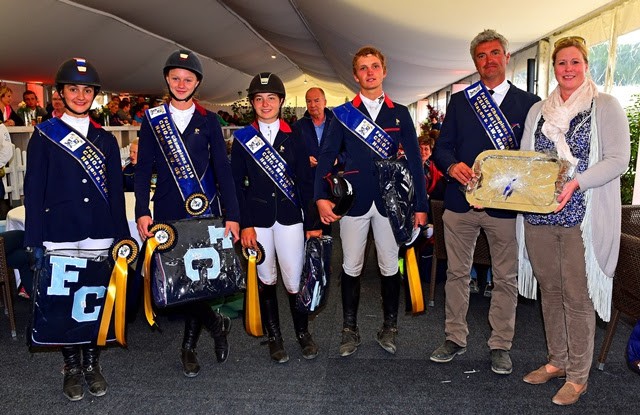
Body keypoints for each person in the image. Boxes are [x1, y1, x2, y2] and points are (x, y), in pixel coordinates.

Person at [517, 36, 630, 405]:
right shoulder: (539, 111)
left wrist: (577, 182)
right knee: (550, 292)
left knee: (578, 298)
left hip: (581, 217)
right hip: (539, 216)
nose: (568, 69)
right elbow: (524, 161)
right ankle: (558, 361)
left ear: (586, 66)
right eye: (562, 63)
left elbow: (617, 160)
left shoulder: (605, 106)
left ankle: (578, 376)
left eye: (575, 62)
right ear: (554, 69)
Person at [430, 29, 540, 375]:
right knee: (457, 274)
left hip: (504, 208)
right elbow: (441, 148)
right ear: (474, 62)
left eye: (495, 53)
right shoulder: (461, 101)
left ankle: (500, 345)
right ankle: (455, 337)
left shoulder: (530, 104)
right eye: (481, 55)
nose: (489, 60)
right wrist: (451, 165)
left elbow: (535, 159)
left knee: (505, 278)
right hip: (460, 203)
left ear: (507, 57)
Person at [23, 57, 129, 401]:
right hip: (60, 231)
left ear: (94, 95)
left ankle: (92, 364)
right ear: (61, 92)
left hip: (100, 230)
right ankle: (71, 366)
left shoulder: (106, 139)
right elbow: (34, 188)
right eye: (73, 89)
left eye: (87, 90)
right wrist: (34, 239)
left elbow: (116, 191)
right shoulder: (44, 135)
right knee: (66, 301)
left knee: (93, 300)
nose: (81, 96)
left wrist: (123, 235)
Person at [314, 46, 428, 357]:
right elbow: (326, 157)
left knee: (390, 266)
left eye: (374, 66)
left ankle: (389, 326)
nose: (369, 72)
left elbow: (416, 162)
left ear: (384, 71)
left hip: (391, 204)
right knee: (351, 266)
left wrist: (421, 207)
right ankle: (349, 328)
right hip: (353, 201)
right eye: (363, 68)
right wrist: (320, 198)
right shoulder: (341, 114)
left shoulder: (400, 113)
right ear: (355, 75)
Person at [135, 50, 240, 378]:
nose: (182, 84)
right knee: (176, 282)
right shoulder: (152, 120)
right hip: (167, 211)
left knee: (200, 281)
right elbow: (142, 170)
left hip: (205, 210)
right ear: (167, 79)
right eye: (176, 78)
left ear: (197, 83)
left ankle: (189, 347)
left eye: (188, 79)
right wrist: (141, 210)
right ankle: (215, 322)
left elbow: (223, 170)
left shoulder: (209, 120)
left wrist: (233, 215)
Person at [231, 72, 322, 363]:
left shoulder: (296, 137)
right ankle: (274, 337)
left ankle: (302, 333)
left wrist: (313, 224)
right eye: (259, 98)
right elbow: (236, 185)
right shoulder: (243, 138)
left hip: (290, 217)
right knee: (266, 278)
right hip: (257, 221)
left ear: (281, 101)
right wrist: (244, 224)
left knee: (295, 280)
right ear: (252, 103)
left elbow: (307, 184)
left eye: (271, 98)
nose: (265, 103)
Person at [293, 87, 343, 235]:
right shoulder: (297, 127)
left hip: (330, 184)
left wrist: (337, 159)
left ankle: (325, 256)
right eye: (309, 101)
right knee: (309, 227)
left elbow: (348, 151)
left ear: (325, 102)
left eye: (316, 100)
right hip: (307, 184)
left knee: (327, 227)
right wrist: (304, 160)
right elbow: (291, 154)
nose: (313, 105)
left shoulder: (337, 124)